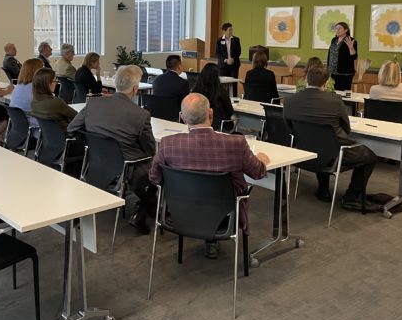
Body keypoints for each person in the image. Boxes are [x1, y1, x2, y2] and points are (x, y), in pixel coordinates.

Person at [149, 93, 269, 259]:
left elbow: (154, 178)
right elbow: (258, 173)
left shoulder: (168, 144)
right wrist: (261, 160)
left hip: (180, 213)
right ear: (211, 114)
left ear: (182, 118)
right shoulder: (236, 143)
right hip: (225, 216)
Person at [68, 65, 157, 235]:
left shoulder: (93, 103)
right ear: (136, 89)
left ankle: (146, 208)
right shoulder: (141, 115)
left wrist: (93, 142)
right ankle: (145, 211)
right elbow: (151, 149)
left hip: (96, 163)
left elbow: (72, 128)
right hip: (129, 167)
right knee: (159, 167)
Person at [283, 66, 378, 211]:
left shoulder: (289, 101)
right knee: (369, 156)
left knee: (319, 142)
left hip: (304, 152)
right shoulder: (334, 101)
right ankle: (351, 198)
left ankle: (323, 190)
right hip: (334, 154)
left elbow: (289, 129)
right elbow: (346, 129)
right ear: (326, 84)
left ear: (305, 79)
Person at [30, 68, 77, 134]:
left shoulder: (34, 100)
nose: (56, 84)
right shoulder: (55, 102)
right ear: (47, 84)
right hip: (68, 135)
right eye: (54, 81)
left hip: (50, 137)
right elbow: (76, 116)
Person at [192, 63, 235, 131]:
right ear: (217, 77)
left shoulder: (195, 91)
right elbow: (230, 112)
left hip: (198, 125)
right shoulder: (221, 92)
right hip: (219, 127)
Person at [9, 58, 44, 128]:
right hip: (36, 128)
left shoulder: (18, 87)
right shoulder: (36, 89)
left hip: (20, 127)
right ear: (38, 71)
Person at [327, 22, 357, 91]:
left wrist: (351, 48)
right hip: (333, 71)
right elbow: (330, 54)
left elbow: (354, 57)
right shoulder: (334, 40)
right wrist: (328, 67)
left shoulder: (351, 40)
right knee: (333, 92)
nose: (337, 30)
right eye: (336, 28)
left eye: (340, 28)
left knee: (344, 94)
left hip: (345, 73)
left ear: (346, 30)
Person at [216, 22, 241, 96]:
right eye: (229, 30)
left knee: (233, 84)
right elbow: (218, 53)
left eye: (231, 30)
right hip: (223, 66)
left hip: (234, 65)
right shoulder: (219, 40)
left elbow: (238, 52)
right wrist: (226, 60)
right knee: (222, 84)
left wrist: (232, 59)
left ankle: (234, 100)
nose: (231, 32)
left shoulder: (236, 40)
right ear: (224, 31)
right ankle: (222, 100)